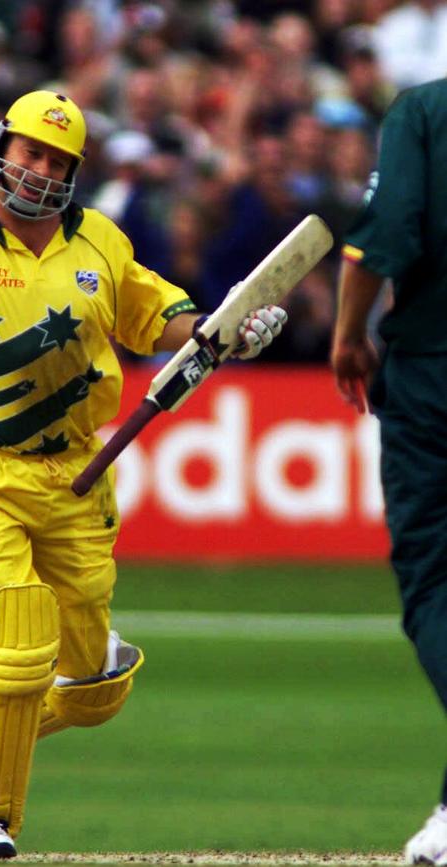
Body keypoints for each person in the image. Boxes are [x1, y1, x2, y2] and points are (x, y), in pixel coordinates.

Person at [0, 43, 287, 860]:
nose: (40, 169)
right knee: (17, 639)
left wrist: (228, 330)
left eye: (58, 159)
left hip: (75, 476)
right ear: (0, 148)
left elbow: (163, 320)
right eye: (30, 150)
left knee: (96, 687)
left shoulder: (98, 240)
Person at [330, 76, 447, 865]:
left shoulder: (426, 111)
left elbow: (387, 232)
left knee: (435, 581)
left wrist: (346, 333)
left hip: (435, 374)